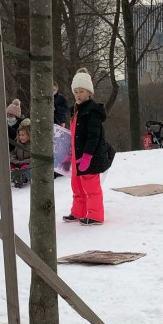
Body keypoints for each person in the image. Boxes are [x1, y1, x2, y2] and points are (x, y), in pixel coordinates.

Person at [62, 68, 113, 225]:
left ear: (89, 92)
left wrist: (87, 156)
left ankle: (96, 215)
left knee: (91, 187)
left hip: (90, 156)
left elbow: (94, 136)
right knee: (77, 186)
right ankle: (78, 212)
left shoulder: (92, 111)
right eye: (76, 91)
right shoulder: (76, 111)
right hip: (77, 156)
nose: (78, 95)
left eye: (81, 91)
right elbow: (74, 136)